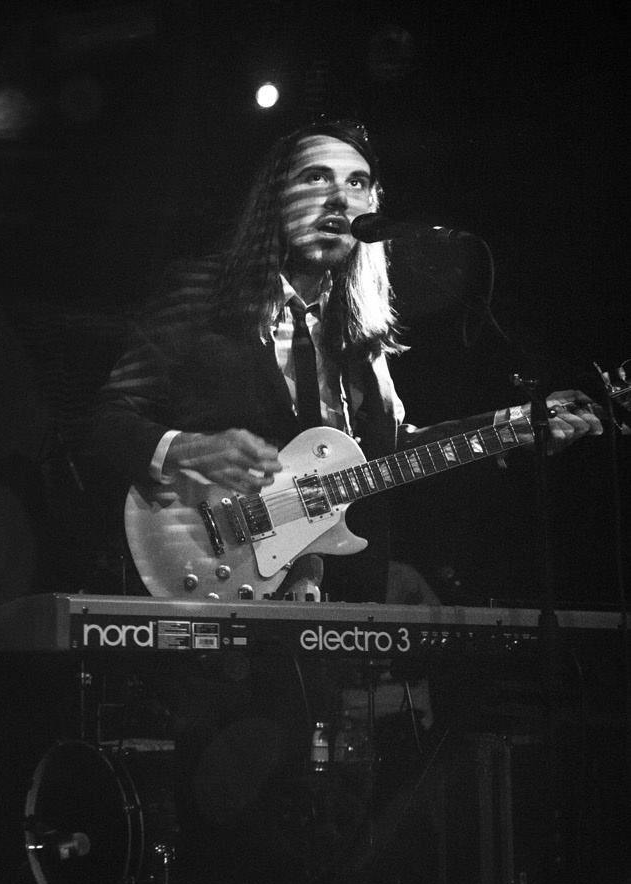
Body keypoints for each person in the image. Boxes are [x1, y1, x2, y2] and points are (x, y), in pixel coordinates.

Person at [77, 119, 603, 601]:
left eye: (357, 183)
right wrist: (190, 448)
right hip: (208, 570)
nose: (338, 197)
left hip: (340, 599)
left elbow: (386, 455)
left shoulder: (357, 335)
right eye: (315, 178)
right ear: (274, 199)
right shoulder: (199, 294)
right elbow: (102, 422)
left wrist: (516, 425)